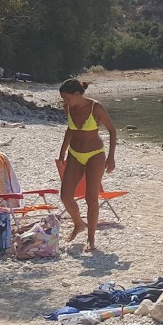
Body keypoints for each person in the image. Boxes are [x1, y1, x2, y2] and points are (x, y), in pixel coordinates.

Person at [57, 78, 117, 254]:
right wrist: (62, 151)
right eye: (63, 99)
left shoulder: (95, 107)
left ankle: (91, 239)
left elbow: (112, 131)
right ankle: (78, 224)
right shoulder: (68, 107)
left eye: (67, 98)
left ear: (77, 94)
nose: (64, 102)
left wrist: (111, 157)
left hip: (95, 155)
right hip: (75, 153)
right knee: (66, 196)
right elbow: (70, 129)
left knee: (92, 197)